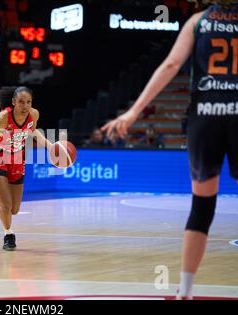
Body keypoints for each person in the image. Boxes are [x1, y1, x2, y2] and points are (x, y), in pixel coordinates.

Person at [101, 0, 238, 299]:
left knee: (203, 208)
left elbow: (171, 65)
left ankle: (185, 292)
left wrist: (133, 112)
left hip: (206, 116)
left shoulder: (198, 22)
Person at [0, 86, 53, 251]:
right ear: (14, 102)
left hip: (16, 158)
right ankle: (8, 234)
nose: (25, 106)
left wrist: (52, 148)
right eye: (21, 102)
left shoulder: (34, 115)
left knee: (14, 209)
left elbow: (34, 131)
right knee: (6, 206)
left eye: (28, 102)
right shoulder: (2, 119)